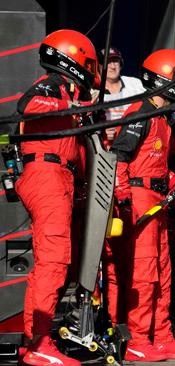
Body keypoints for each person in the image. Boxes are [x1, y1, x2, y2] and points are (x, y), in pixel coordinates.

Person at [110, 49, 175, 361]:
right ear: (166, 80)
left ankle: (162, 336)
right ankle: (138, 339)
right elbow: (119, 158)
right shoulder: (141, 112)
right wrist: (123, 198)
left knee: (163, 271)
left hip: (158, 200)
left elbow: (165, 162)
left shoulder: (162, 118)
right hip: (139, 200)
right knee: (145, 273)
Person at [16, 29, 98, 366]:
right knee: (54, 260)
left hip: (59, 178)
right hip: (46, 176)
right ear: (73, 57)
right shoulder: (52, 85)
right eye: (89, 64)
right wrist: (74, 104)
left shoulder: (67, 92)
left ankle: (35, 338)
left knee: (52, 262)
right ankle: (39, 344)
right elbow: (28, 105)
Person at [99, 47, 146, 144]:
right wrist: (101, 130)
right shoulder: (94, 90)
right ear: (99, 66)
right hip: (105, 146)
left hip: (135, 141)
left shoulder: (135, 83)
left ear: (121, 65)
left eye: (115, 61)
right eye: (108, 62)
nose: (113, 66)